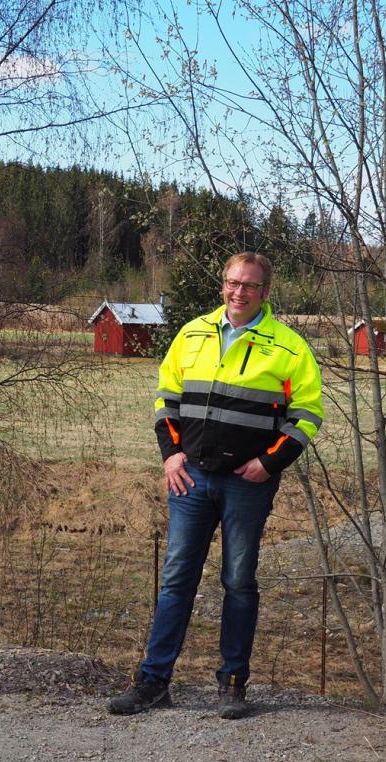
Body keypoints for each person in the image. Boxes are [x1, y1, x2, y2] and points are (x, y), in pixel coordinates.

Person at [108, 252, 324, 719]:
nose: (239, 292)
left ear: (265, 292)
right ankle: (152, 683)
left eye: (249, 285)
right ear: (223, 284)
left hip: (248, 484)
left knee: (239, 582)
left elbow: (307, 416)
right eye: (233, 282)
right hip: (192, 478)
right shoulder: (192, 334)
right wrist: (171, 455)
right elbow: (167, 399)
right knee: (176, 580)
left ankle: (232, 684)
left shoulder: (289, 348)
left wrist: (269, 463)